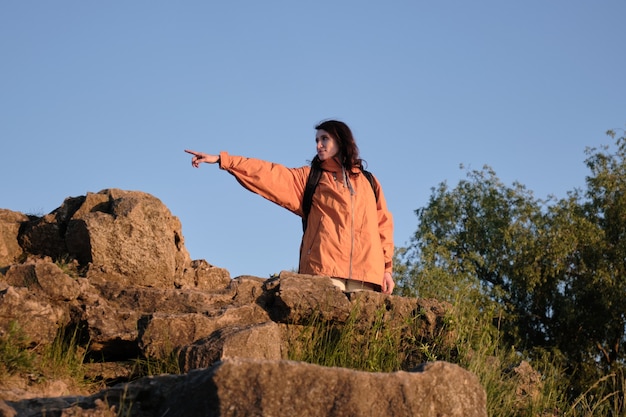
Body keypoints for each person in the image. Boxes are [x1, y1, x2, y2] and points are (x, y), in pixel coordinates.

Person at [184, 119, 395, 294]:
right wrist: (224, 160)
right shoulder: (309, 178)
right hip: (325, 271)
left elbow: (383, 226)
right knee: (323, 335)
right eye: (316, 140)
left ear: (340, 140)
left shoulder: (369, 182)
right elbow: (268, 173)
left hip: (367, 275)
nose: (318, 145)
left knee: (358, 340)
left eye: (324, 139)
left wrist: (386, 270)